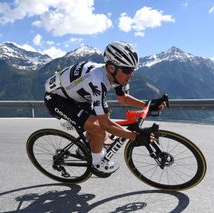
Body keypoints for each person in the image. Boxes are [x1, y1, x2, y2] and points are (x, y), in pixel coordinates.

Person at [44, 41, 166, 174]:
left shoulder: (115, 75)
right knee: (98, 129)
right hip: (57, 99)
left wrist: (148, 104)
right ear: (111, 68)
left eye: (132, 70)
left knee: (102, 128)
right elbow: (105, 124)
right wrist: (134, 137)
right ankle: (97, 164)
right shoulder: (97, 81)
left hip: (78, 97)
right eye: (127, 70)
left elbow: (123, 97)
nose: (131, 74)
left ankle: (83, 150)